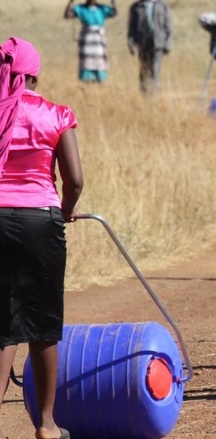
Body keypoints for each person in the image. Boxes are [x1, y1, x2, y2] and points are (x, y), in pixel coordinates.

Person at [0, 37, 84, 439]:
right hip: (40, 220)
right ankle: (47, 426)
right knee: (42, 322)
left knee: (2, 325)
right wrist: (65, 209)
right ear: (34, 74)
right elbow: (76, 179)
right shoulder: (55, 113)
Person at [63, 0, 118, 83]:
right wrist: (70, 2)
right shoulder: (81, 8)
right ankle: (86, 82)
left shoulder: (102, 9)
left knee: (99, 62)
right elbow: (67, 15)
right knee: (86, 63)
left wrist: (113, 2)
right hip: (86, 40)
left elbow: (113, 13)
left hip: (99, 41)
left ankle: (100, 81)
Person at [127, 0, 173, 95]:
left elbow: (168, 27)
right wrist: (131, 44)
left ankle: (153, 94)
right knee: (144, 69)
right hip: (142, 43)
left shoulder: (162, 5)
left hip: (158, 42)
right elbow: (131, 29)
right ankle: (144, 93)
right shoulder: (136, 7)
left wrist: (168, 43)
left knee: (155, 68)